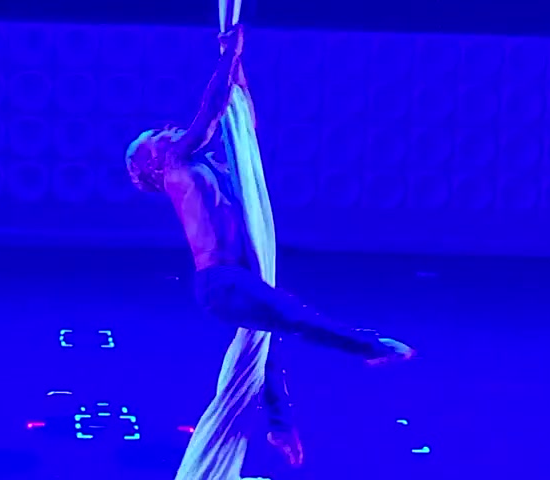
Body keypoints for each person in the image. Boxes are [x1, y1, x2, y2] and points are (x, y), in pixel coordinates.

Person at [125, 24, 414, 479]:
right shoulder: (177, 165)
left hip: (240, 276)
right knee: (288, 317)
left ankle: (280, 427)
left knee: (266, 349)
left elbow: (243, 127)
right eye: (155, 137)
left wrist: (238, 72)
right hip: (222, 283)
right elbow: (210, 114)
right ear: (153, 164)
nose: (165, 131)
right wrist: (228, 57)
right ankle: (368, 347)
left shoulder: (209, 166)